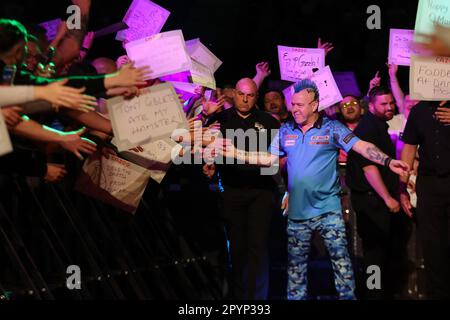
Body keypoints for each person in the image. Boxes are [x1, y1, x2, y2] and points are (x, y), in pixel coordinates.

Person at [221, 79, 410, 300]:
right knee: (296, 274)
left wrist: (388, 161)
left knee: (342, 268)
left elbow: (362, 147)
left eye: (300, 105)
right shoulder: (285, 131)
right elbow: (267, 159)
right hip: (297, 214)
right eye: (293, 104)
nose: (294, 109)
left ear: (314, 105)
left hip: (328, 211)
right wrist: (235, 153)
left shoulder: (332, 128)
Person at [204, 78, 280, 300]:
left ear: (256, 97)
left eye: (250, 95)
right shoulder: (221, 119)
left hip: (261, 191)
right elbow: (208, 147)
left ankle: (258, 299)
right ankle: (238, 298)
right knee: (236, 247)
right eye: (241, 94)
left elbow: (275, 159)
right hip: (232, 190)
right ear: (234, 94)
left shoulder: (269, 122)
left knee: (258, 246)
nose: (245, 99)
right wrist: (210, 163)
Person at [346, 86, 412, 299]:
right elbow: (369, 168)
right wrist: (387, 198)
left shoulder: (379, 126)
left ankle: (380, 293)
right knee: (374, 254)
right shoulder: (367, 128)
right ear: (371, 105)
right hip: (371, 201)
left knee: (384, 253)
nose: (390, 107)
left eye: (391, 103)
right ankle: (373, 294)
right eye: (384, 104)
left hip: (379, 200)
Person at [400, 100, 450, 300]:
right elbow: (409, 149)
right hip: (430, 185)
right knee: (432, 246)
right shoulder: (420, 110)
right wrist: (401, 188)